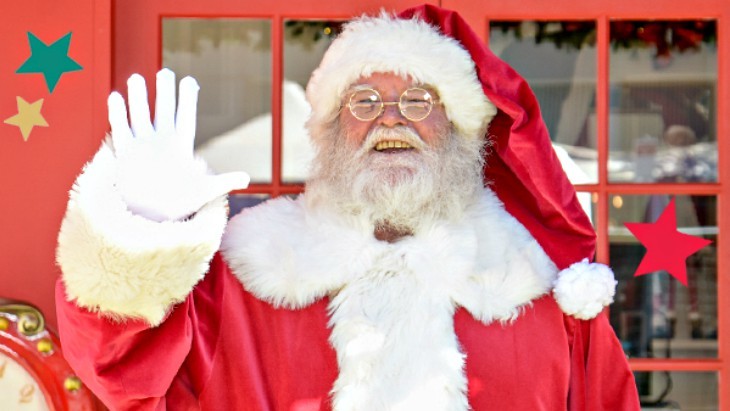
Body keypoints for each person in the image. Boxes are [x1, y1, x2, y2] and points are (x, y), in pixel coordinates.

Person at [55, 5, 640, 410]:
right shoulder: (246, 276)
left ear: (462, 130)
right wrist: (143, 237)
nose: (391, 118)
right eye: (364, 100)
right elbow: (123, 376)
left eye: (418, 100)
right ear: (330, 131)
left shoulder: (536, 290)